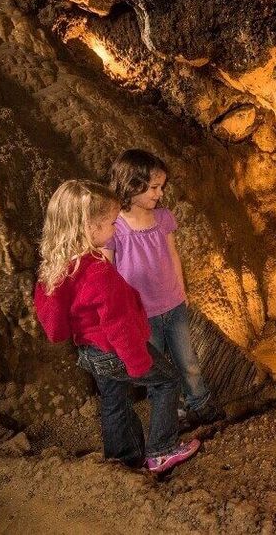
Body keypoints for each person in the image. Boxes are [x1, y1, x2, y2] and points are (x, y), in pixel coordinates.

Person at [33, 179, 200, 473]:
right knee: (167, 381)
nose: (115, 229)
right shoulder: (98, 272)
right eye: (111, 223)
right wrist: (137, 362)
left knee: (114, 401)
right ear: (89, 227)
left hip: (89, 351)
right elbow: (118, 324)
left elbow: (56, 328)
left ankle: (123, 461)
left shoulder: (58, 268)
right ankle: (162, 450)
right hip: (116, 350)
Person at [106, 149, 221, 428]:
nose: (160, 194)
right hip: (142, 313)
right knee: (156, 370)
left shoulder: (163, 218)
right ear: (132, 185)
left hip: (173, 304)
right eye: (154, 187)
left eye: (161, 187)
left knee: (188, 360)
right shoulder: (114, 226)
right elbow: (107, 272)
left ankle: (201, 405)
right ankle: (171, 415)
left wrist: (182, 292)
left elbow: (173, 255)